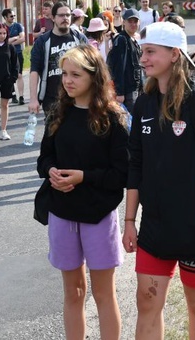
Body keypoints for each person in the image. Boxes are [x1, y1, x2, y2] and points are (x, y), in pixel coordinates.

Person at [123, 21, 195, 340]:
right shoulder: (143, 103)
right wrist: (130, 220)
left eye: (151, 52)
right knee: (147, 303)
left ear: (174, 54)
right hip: (155, 229)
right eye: (143, 52)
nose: (143, 59)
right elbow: (135, 165)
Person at [36, 44, 129, 340]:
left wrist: (83, 177)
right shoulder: (58, 113)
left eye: (76, 74)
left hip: (98, 214)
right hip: (62, 212)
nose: (68, 80)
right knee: (73, 291)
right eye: (64, 74)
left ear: (94, 77)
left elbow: (122, 175)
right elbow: (44, 159)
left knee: (103, 293)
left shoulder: (113, 118)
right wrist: (50, 171)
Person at [29, 1, 88, 116]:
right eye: (61, 15)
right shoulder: (43, 41)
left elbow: (91, 66)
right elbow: (34, 70)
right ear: (53, 18)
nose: (65, 18)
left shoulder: (80, 39)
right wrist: (33, 99)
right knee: (54, 133)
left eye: (67, 15)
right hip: (52, 99)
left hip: (77, 97)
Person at [106, 8, 143, 113]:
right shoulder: (122, 39)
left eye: (135, 21)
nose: (133, 24)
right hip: (127, 92)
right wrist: (119, 92)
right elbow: (118, 66)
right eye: (130, 21)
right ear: (124, 22)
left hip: (134, 90)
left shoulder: (133, 40)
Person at [3, 8, 26, 106]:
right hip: (6, 54)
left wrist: (10, 42)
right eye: (11, 16)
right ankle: (13, 95)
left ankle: (21, 96)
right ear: (5, 17)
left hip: (18, 53)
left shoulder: (18, 26)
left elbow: (23, 38)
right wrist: (14, 38)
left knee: (19, 75)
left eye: (14, 16)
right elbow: (2, 41)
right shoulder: (2, 27)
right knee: (9, 75)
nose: (13, 18)